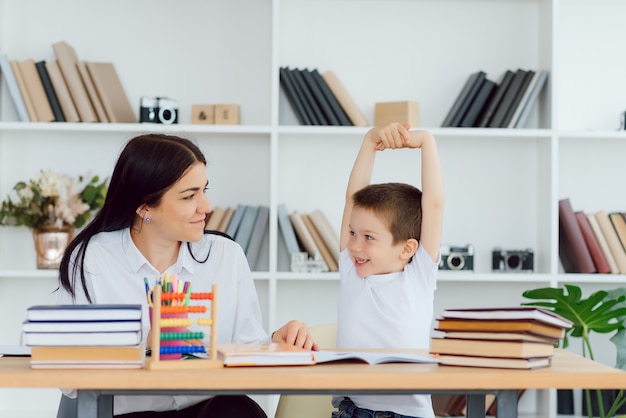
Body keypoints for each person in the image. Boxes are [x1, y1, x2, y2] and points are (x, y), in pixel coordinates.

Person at [57, 133, 318, 418]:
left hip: (211, 410)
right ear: (145, 206)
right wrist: (143, 343)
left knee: (236, 410)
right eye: (189, 196)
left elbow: (245, 348)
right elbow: (68, 377)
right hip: (129, 413)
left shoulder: (225, 256)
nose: (206, 206)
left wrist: (275, 343)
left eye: (204, 190)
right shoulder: (91, 260)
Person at [332, 122, 444, 418]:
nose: (355, 245)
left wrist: (426, 142)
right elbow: (351, 198)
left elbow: (433, 206)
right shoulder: (352, 272)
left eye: (369, 238)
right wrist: (370, 141)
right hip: (353, 411)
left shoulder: (418, 274)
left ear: (408, 249)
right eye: (353, 233)